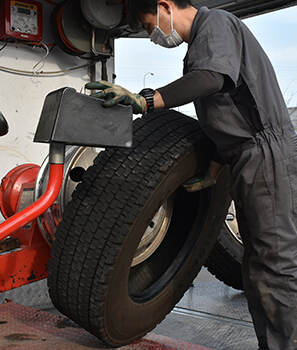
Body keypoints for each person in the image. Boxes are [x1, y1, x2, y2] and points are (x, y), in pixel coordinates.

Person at [85, 1, 297, 349]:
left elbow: (212, 79)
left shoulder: (215, 23)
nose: (153, 36)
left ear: (165, 6)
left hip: (265, 155)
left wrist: (147, 100)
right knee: (260, 265)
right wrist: (213, 171)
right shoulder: (201, 44)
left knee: (276, 264)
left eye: (149, 24)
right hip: (246, 157)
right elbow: (227, 116)